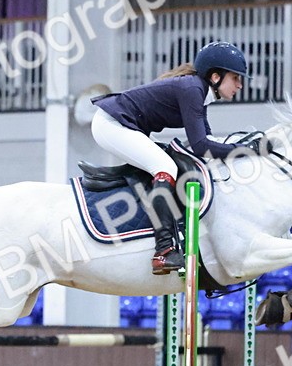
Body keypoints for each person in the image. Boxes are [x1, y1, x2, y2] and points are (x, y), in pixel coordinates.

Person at [91, 41, 248, 274]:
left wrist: (240, 149)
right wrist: (246, 150)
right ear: (215, 77)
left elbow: (208, 145)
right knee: (165, 166)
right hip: (111, 125)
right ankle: (163, 251)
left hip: (122, 126)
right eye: (236, 78)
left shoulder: (199, 94)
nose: (240, 85)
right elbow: (202, 146)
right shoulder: (192, 89)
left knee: (171, 163)